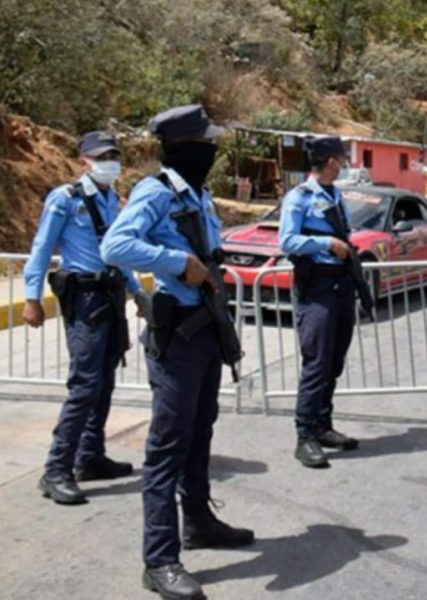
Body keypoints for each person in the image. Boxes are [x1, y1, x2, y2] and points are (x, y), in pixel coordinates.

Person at [101, 105, 253, 600]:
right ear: (186, 147)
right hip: (179, 336)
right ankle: (160, 557)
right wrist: (176, 261)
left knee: (200, 431)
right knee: (167, 445)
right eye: (206, 143)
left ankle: (200, 522)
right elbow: (115, 246)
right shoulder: (155, 192)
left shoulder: (199, 194)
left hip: (207, 329)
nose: (213, 150)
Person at [23, 132, 141, 505]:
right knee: (85, 384)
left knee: (105, 379)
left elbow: (119, 253)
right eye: (101, 156)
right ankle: (56, 469)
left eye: (113, 155)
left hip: (110, 292)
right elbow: (42, 247)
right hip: (85, 297)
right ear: (83, 161)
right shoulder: (66, 198)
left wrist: (138, 292)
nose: (109, 162)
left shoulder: (111, 200)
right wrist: (31, 297)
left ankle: (90, 456)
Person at [279, 136, 367, 469]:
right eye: (341, 157)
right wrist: (326, 243)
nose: (345, 162)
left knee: (334, 361)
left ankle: (323, 425)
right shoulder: (299, 197)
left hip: (341, 284)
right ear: (331, 161)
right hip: (316, 286)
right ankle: (305, 436)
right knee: (316, 362)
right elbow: (286, 240)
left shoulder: (336, 195)